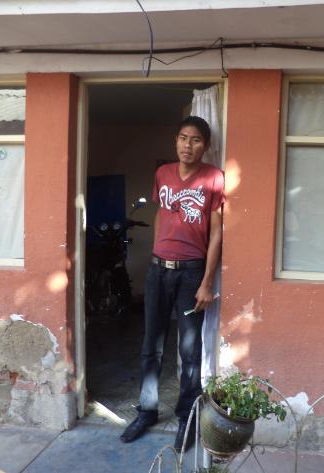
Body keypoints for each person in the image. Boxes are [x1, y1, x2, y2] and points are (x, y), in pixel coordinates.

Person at [120, 116, 224, 451]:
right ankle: (147, 411)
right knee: (151, 345)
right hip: (158, 271)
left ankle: (186, 418)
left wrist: (207, 282)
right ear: (176, 140)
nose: (187, 145)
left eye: (195, 140)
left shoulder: (213, 178)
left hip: (192, 273)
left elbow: (217, 232)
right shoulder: (163, 173)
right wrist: (157, 251)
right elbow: (161, 213)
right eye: (182, 138)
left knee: (190, 351)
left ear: (205, 145)